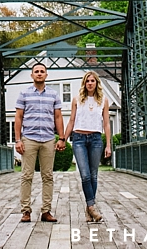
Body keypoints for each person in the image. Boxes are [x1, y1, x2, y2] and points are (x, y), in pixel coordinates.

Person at [14, 62, 66, 223]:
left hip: (48, 139)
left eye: (42, 71)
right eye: (36, 71)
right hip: (29, 138)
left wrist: (62, 138)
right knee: (26, 175)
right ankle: (26, 211)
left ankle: (46, 211)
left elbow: (58, 117)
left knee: (48, 176)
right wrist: (17, 140)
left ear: (46, 75)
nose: (39, 73)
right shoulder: (24, 93)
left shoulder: (53, 95)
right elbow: (18, 118)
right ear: (32, 75)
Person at [64, 70, 111, 223]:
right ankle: (92, 206)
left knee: (93, 174)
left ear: (97, 83)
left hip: (96, 138)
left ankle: (89, 207)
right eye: (87, 81)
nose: (90, 83)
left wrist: (108, 145)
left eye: (93, 81)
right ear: (84, 83)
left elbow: (106, 124)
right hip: (79, 139)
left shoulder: (103, 100)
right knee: (85, 174)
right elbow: (71, 121)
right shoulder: (77, 99)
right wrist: (63, 138)